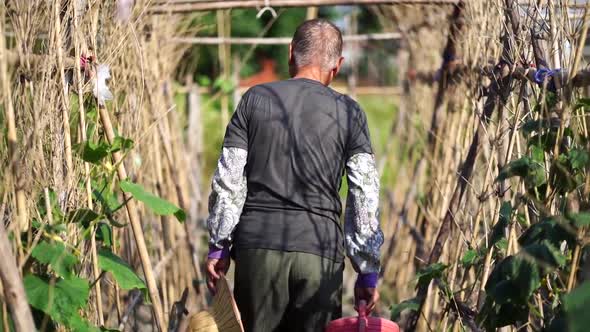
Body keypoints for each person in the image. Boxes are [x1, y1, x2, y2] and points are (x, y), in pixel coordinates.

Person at [205, 18, 384, 332]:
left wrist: (219, 245)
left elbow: (229, 179)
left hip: (257, 250)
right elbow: (364, 194)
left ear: (291, 52)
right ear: (337, 65)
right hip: (320, 254)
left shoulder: (254, 100)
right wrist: (366, 269)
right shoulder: (349, 113)